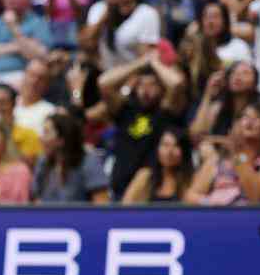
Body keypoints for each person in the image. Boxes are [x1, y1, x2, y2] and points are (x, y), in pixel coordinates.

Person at [98, 52, 188, 199]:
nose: (145, 89)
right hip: (121, 187)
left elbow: (176, 83)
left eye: (152, 85)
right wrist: (140, 63)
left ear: (161, 88)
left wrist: (154, 63)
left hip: (152, 189)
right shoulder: (125, 109)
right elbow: (103, 82)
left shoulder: (164, 111)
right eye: (141, 84)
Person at [185, 103, 260, 205]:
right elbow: (190, 196)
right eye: (245, 116)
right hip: (217, 216)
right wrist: (211, 203)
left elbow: (258, 197)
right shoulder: (216, 161)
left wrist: (239, 156)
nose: (250, 121)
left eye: (257, 117)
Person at [33, 112, 109, 203]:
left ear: (61, 140)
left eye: (46, 132)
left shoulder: (89, 162)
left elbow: (102, 205)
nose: (40, 138)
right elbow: (36, 201)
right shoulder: (43, 162)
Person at [122, 127, 193, 204]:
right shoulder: (145, 175)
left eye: (176, 146)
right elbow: (125, 207)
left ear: (184, 151)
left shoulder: (190, 179)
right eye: (165, 145)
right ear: (157, 149)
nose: (169, 152)